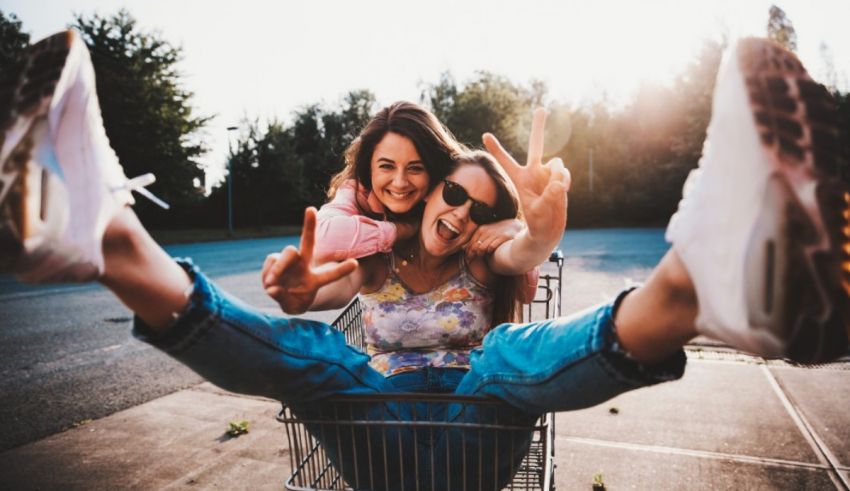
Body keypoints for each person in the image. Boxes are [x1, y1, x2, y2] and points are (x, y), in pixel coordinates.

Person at [2, 30, 847, 489]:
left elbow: (522, 245)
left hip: (477, 423)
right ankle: (107, 241)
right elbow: (319, 290)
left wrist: (540, 229)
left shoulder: (488, 248)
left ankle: (698, 288)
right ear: (404, 189)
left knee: (505, 356)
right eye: (446, 192)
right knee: (326, 359)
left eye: (475, 203)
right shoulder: (369, 253)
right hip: (381, 429)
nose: (456, 209)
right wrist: (296, 291)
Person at [314, 100, 541, 306]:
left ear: (433, 178)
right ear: (369, 168)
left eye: (415, 168)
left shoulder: (466, 222)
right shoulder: (358, 194)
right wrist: (399, 230)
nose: (400, 182)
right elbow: (322, 241)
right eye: (386, 166)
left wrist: (518, 228)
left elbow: (524, 288)